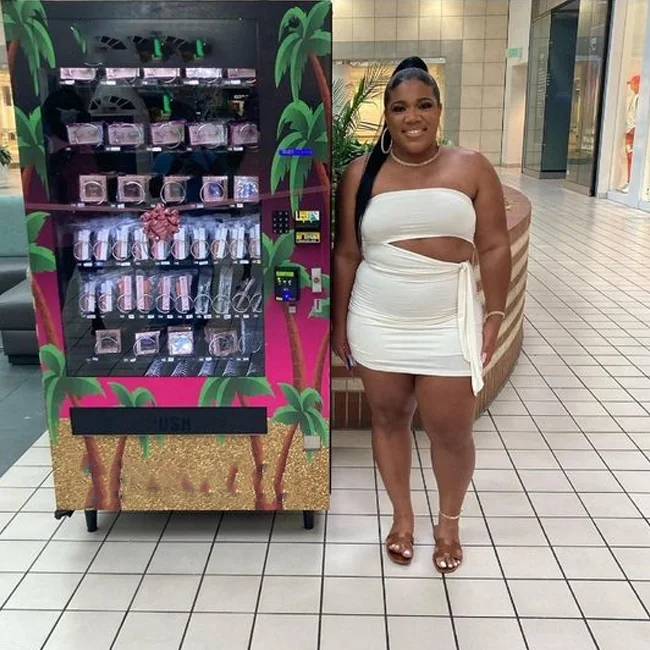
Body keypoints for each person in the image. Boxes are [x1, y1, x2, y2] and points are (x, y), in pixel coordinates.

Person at [333, 57, 512, 574]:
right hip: (377, 317)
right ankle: (403, 518)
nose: (413, 117)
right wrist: (339, 323)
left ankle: (449, 523)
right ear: (387, 116)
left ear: (438, 110)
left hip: (447, 320)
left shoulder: (472, 167)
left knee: (451, 431)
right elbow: (347, 254)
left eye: (423, 105)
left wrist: (494, 313)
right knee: (389, 419)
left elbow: (494, 245)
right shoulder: (361, 173)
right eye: (399, 108)